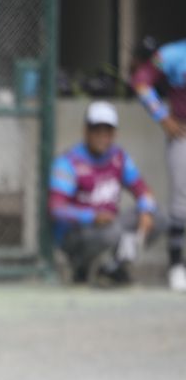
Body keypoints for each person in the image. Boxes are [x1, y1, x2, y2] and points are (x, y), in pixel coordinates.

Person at [49, 101, 161, 286]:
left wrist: (146, 210)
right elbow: (56, 208)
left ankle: (112, 268)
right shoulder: (69, 162)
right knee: (112, 232)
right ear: (86, 131)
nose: (102, 136)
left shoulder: (118, 157)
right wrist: (91, 217)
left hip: (110, 223)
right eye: (96, 130)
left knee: (158, 217)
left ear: (114, 134)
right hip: (77, 233)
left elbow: (142, 189)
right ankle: (81, 266)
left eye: (107, 131)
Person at [130, 36, 186, 291]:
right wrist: (163, 117)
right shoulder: (173, 54)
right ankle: (176, 265)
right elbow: (141, 82)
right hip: (183, 133)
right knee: (181, 201)